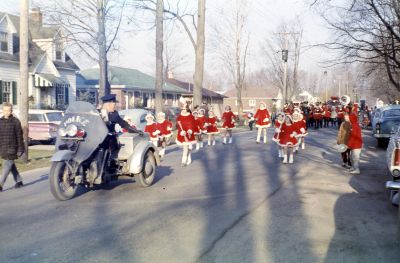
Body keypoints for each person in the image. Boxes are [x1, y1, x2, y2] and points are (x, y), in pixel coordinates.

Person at [99, 94, 143, 160]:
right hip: (97, 139)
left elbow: (124, 124)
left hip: (109, 139)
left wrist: (135, 131)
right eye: (114, 104)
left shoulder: (114, 114)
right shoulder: (97, 112)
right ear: (108, 104)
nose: (115, 106)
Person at [0, 102, 25, 191]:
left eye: (9, 110)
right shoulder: (0, 121)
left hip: (13, 148)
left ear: (11, 111)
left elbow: (19, 136)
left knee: (7, 166)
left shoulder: (16, 121)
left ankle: (0, 184)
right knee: (11, 165)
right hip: (3, 148)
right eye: (5, 110)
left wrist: (21, 149)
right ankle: (19, 181)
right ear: (2, 111)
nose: (7, 112)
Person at [347, 105, 363, 174]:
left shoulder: (354, 126)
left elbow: (353, 137)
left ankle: (356, 169)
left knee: (355, 157)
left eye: (349, 118)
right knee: (352, 156)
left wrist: (348, 145)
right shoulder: (354, 124)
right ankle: (353, 167)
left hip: (356, 144)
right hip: (355, 144)